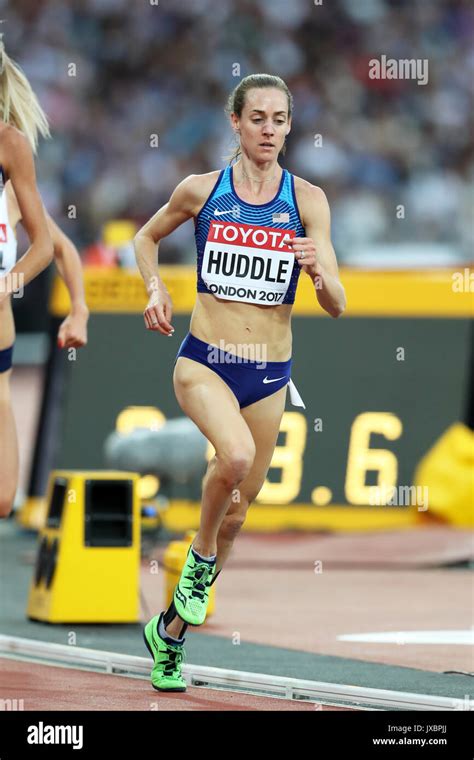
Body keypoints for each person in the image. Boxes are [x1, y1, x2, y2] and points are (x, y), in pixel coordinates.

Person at [135, 73, 346, 692]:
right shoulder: (202, 191)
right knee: (235, 456)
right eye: (258, 118)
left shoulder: (308, 201)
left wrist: (317, 273)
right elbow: (146, 238)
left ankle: (169, 632)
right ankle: (197, 565)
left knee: (237, 510)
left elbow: (336, 303)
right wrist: (155, 287)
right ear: (235, 121)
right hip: (204, 360)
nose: (270, 131)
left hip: (269, 373)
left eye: (280, 120)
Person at [0, 39, 89, 518]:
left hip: (0, 351)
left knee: (1, 500)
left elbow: (58, 249)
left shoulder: (12, 181)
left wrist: (79, 308)